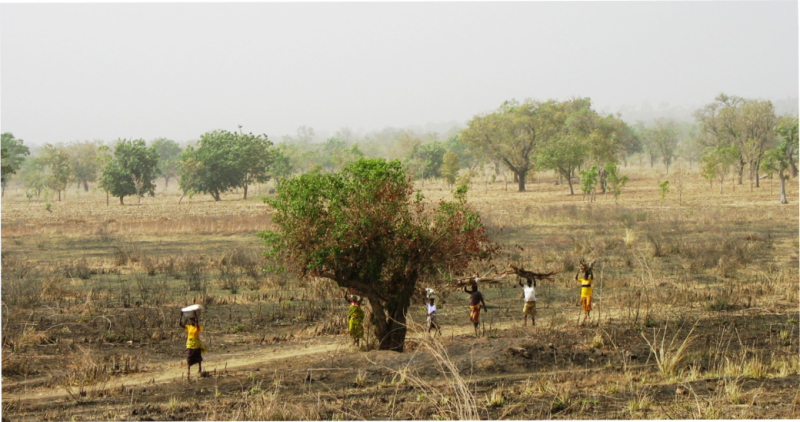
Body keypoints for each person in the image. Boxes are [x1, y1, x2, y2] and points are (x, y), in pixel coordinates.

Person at [179, 313, 205, 380]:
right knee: (189, 356)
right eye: (192, 321)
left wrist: (195, 315)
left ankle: (200, 368)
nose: (193, 322)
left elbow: (197, 322)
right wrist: (181, 316)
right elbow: (180, 324)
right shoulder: (189, 327)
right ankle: (188, 370)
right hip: (190, 343)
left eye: (194, 321)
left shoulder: (198, 327)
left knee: (198, 356)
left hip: (196, 343)